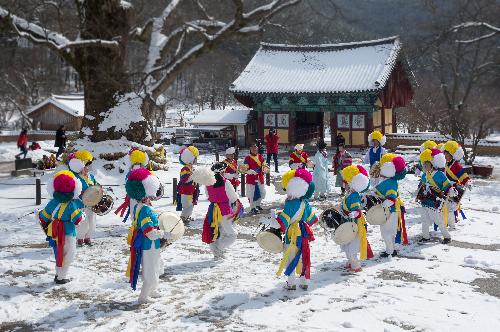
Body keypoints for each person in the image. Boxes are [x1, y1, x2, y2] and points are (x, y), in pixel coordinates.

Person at [125, 168, 172, 303]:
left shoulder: (140, 206)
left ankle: (152, 290)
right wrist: (164, 234)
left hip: (149, 243)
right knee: (150, 271)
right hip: (148, 244)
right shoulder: (145, 210)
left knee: (156, 266)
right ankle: (143, 297)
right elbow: (150, 233)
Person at [271, 168, 318, 290]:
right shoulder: (305, 203)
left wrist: (272, 222)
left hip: (292, 234)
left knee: (290, 257)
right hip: (303, 233)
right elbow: (312, 219)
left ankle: (291, 283)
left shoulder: (290, 204)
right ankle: (305, 282)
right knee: (304, 257)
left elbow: (282, 222)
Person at [38, 170, 84, 284]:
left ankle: (58, 274)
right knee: (69, 254)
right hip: (67, 231)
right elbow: (78, 220)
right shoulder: (71, 204)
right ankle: (61, 277)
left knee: (58, 253)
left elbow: (43, 217)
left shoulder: (52, 202)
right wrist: (82, 213)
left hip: (53, 231)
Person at [197, 163, 242, 260]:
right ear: (222, 171)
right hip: (224, 209)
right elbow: (233, 197)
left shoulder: (208, 183)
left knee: (215, 231)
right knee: (232, 234)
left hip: (213, 209)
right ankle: (220, 248)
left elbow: (208, 196)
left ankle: (216, 252)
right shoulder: (226, 182)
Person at [417, 148, 458, 244]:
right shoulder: (424, 175)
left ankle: (447, 237)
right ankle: (425, 237)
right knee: (424, 220)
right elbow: (421, 187)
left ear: (433, 163)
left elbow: (448, 186)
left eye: (427, 164)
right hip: (424, 201)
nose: (425, 166)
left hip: (435, 202)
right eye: (424, 164)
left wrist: (451, 193)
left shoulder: (440, 174)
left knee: (438, 220)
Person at [339, 165, 374, 272]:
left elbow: (357, 210)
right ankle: (350, 261)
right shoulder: (349, 194)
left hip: (355, 224)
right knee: (346, 242)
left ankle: (355, 264)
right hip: (348, 222)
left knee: (351, 245)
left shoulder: (354, 195)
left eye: (345, 181)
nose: (343, 184)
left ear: (351, 182)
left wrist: (353, 214)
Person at [372, 153, 408, 257]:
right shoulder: (388, 180)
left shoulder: (391, 182)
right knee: (390, 232)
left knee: (386, 232)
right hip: (389, 210)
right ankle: (391, 250)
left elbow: (391, 198)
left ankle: (390, 251)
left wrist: (383, 205)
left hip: (390, 210)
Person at [68, 149, 100, 246]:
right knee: (83, 223)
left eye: (89, 165)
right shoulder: (74, 177)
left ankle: (88, 237)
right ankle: (80, 238)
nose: (88, 168)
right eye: (87, 165)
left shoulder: (90, 176)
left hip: (91, 204)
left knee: (92, 221)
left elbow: (96, 185)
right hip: (80, 204)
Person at [115, 148, 150, 223]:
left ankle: (136, 226)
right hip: (143, 196)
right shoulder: (145, 171)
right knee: (143, 212)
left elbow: (127, 184)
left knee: (134, 212)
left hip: (133, 196)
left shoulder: (130, 172)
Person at [443, 140, 470, 229]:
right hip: (444, 188)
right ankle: (445, 222)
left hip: (453, 189)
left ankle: (452, 224)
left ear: (453, 155)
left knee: (450, 208)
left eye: (448, 154)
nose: (446, 156)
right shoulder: (443, 164)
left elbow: (463, 176)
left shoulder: (456, 165)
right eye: (445, 154)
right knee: (443, 206)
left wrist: (467, 182)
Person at [176, 145, 200, 223]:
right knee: (188, 206)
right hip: (185, 191)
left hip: (190, 191)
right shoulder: (185, 168)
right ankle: (183, 217)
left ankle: (186, 216)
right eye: (195, 158)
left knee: (190, 205)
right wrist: (193, 175)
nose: (196, 160)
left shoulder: (190, 168)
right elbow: (185, 179)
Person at [244, 143, 266, 215]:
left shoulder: (260, 157)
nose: (254, 150)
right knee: (251, 193)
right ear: (250, 149)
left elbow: (264, 165)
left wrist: (265, 168)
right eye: (253, 148)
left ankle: (258, 205)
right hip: (251, 177)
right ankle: (252, 207)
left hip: (260, 177)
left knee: (261, 191)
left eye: (255, 148)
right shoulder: (248, 158)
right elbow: (245, 168)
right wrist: (250, 171)